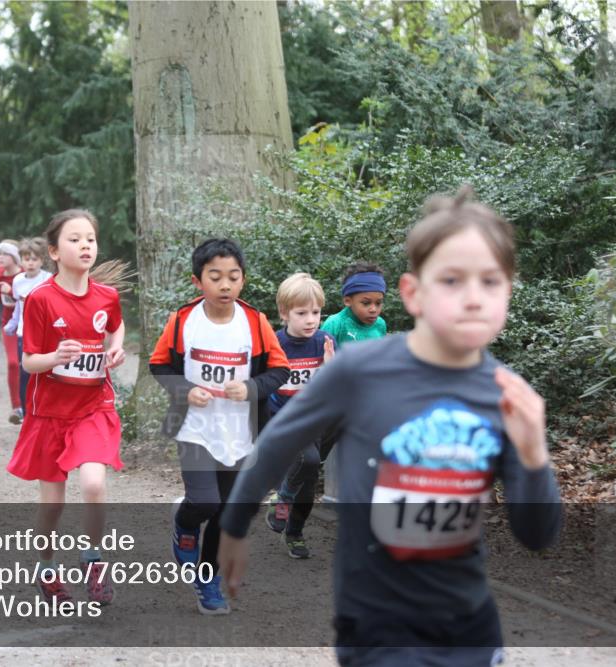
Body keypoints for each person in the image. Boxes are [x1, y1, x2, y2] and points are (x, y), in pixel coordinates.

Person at [219, 186, 561, 666]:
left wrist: (534, 456)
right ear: (413, 293)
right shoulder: (358, 371)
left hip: (469, 628)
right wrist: (234, 527)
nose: (473, 298)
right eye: (451, 280)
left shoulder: (506, 395)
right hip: (376, 628)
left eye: (491, 282)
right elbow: (278, 442)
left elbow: (537, 535)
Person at [148, 238, 289, 615]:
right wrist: (185, 389)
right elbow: (159, 364)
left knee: (226, 513)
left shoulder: (255, 322)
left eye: (233, 276)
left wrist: (251, 388)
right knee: (205, 502)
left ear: (243, 279)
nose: (225, 285)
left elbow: (279, 370)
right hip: (194, 428)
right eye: (215, 277)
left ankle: (206, 580)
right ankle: (185, 523)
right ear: (198, 281)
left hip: (239, 434)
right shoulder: (183, 320)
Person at [6, 209, 127, 609]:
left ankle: (93, 559)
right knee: (53, 505)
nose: (85, 245)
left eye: (90, 238)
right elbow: (29, 362)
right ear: (55, 252)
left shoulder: (106, 296)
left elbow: (115, 326)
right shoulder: (41, 299)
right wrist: (55, 357)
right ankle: (46, 567)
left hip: (93, 405)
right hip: (50, 412)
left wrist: (115, 348)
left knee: (93, 483)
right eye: (74, 240)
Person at [263, 272, 336, 558]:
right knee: (309, 459)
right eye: (301, 313)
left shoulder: (325, 342)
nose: (310, 320)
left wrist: (330, 369)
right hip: (282, 419)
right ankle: (282, 498)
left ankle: (294, 533)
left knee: (307, 486)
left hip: (313, 419)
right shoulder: (275, 344)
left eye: (315, 312)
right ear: (284, 313)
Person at [3, 237, 52, 419]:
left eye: (34, 259)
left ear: (42, 260)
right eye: (26, 259)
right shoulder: (17, 281)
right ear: (21, 261)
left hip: (44, 334)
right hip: (23, 333)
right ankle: (26, 413)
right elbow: (18, 306)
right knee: (24, 373)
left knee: (44, 373)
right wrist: (12, 323)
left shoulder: (48, 279)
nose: (30, 263)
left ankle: (43, 410)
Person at [0, 241, 23, 422]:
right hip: (8, 324)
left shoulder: (24, 275)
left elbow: (33, 298)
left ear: (14, 257)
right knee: (13, 363)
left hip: (27, 323)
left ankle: (31, 402)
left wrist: (13, 293)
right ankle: (16, 407)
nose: (0, 258)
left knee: (27, 364)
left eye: (4, 254)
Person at [320, 262, 388, 345]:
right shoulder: (334, 325)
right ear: (347, 301)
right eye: (366, 303)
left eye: (378, 303)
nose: (373, 309)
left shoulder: (380, 324)